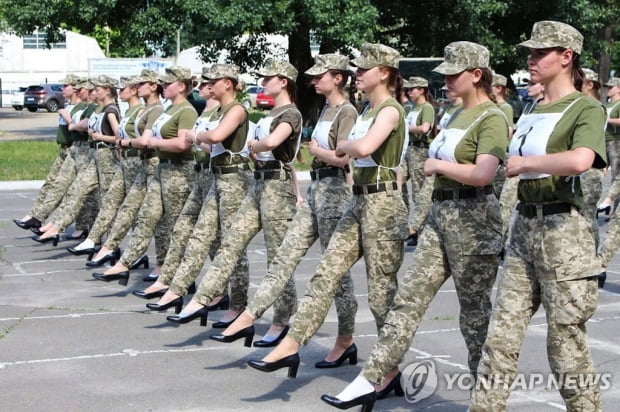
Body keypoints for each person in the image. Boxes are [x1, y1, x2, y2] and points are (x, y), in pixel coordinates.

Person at [321, 41, 507, 411]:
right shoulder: (453, 115)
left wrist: (438, 168)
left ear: (476, 75)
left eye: (454, 75)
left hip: (474, 221)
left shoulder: (493, 116)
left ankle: (486, 401)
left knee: (474, 319)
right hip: (440, 217)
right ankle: (372, 377)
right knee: (407, 302)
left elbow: (484, 173)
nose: (447, 81)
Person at [246, 43, 408, 380]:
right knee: (325, 274)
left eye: (364, 69)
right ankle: (292, 342)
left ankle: (388, 369)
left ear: (385, 73)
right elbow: (350, 149)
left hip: (383, 203)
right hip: (359, 200)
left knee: (380, 296)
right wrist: (339, 148)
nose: (358, 74)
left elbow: (358, 148)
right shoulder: (365, 111)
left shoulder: (390, 110)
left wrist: (340, 147)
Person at [470, 21, 606, 411]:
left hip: (564, 231)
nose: (531, 59)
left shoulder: (586, 107)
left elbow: (581, 160)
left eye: (540, 52)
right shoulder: (533, 106)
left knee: (565, 346)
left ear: (567, 57)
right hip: (525, 226)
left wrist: (526, 161)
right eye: (530, 52)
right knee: (500, 338)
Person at [210, 54, 360, 364]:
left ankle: (345, 338)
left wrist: (317, 152)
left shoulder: (346, 111)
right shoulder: (324, 109)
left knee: (337, 275)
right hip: (317, 187)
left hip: (334, 192)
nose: (315, 80)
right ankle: (251, 316)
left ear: (338, 78)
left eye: (322, 75)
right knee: (284, 256)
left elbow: (343, 157)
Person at [164, 60, 303, 344]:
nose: (264, 82)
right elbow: (245, 147)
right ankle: (203, 299)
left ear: (284, 81)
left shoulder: (291, 113)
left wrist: (256, 146)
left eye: (269, 78)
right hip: (258, 183)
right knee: (231, 242)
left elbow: (273, 144)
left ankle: (282, 320)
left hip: (276, 187)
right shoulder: (267, 112)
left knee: (278, 258)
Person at [136, 64, 253, 323]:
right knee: (197, 233)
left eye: (214, 80)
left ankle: (237, 302)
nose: (208, 85)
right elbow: (206, 142)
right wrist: (199, 137)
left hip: (233, 178)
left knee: (232, 244)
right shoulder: (217, 109)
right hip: (214, 176)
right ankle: (177, 289)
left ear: (229, 83)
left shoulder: (237, 109)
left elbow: (215, 137)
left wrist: (195, 135)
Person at [93, 66, 198, 285]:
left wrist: (153, 143)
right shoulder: (169, 109)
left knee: (176, 227)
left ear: (181, 86)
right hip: (163, 169)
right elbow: (147, 137)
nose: (164, 87)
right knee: (146, 217)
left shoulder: (186, 110)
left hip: (179, 172)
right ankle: (125, 263)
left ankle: (176, 278)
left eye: (168, 84)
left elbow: (181, 143)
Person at [71, 70, 164, 272]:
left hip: (148, 164)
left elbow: (141, 140)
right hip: (133, 162)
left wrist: (124, 141)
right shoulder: (140, 111)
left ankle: (156, 263)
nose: (137, 88)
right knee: (122, 208)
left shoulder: (154, 110)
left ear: (153, 86)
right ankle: (103, 245)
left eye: (141, 84)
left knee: (151, 218)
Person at [32, 75, 121, 245]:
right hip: (94, 156)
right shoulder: (99, 110)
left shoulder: (111, 110)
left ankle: (107, 243)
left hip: (107, 157)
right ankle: (56, 226)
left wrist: (99, 136)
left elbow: (118, 138)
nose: (93, 92)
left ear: (108, 90)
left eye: (97, 89)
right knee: (77, 190)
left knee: (106, 200)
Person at [13, 74, 85, 232]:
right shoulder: (66, 105)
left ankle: (55, 223)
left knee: (67, 189)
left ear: (75, 88)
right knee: (50, 183)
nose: (63, 88)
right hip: (64, 149)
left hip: (75, 150)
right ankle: (35, 216)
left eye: (66, 85)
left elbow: (79, 129)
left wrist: (67, 117)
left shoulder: (81, 107)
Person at [401, 76, 436, 247]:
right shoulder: (412, 108)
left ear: (421, 90)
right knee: (398, 182)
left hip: (421, 150)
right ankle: (406, 223)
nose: (409, 92)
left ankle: (420, 229)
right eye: (408, 89)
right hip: (410, 149)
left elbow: (425, 128)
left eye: (412, 89)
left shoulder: (426, 107)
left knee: (419, 191)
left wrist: (406, 128)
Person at [595, 77, 620, 216]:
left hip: (616, 141)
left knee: (617, 176)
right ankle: (610, 208)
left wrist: (607, 120)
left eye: (611, 87)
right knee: (607, 175)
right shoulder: (608, 104)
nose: (608, 90)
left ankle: (612, 207)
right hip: (605, 140)